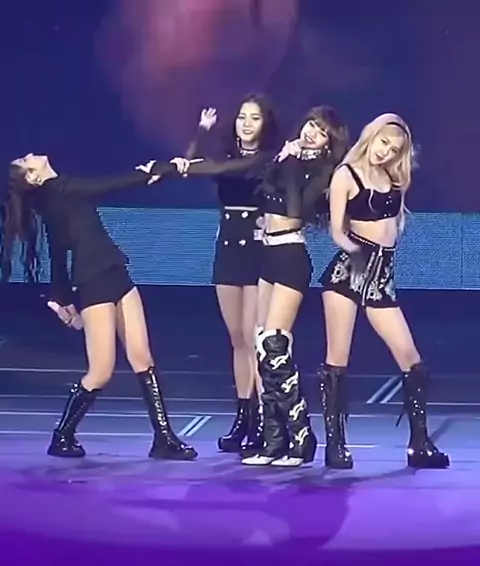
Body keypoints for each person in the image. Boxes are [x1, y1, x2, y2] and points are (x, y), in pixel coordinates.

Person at [0, 153, 197, 460]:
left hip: (115, 271)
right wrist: (153, 171)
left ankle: (164, 438)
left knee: (142, 358)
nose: (31, 156)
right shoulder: (59, 188)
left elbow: (56, 253)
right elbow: (108, 185)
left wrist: (62, 297)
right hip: (93, 280)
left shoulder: (57, 194)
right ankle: (62, 435)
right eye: (26, 161)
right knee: (101, 370)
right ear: (33, 177)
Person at [319, 113, 450, 470]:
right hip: (349, 274)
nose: (385, 152)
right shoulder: (346, 175)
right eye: (383, 143)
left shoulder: (393, 177)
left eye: (394, 150)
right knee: (337, 361)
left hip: (382, 278)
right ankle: (335, 444)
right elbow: (336, 230)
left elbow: (392, 227)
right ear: (371, 136)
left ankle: (419, 444)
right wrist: (354, 253)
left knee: (412, 360)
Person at [238, 105, 350, 467]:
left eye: (321, 131)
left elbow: (294, 205)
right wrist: (282, 160)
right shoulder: (285, 159)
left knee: (275, 344)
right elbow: (262, 195)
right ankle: (274, 440)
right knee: (261, 343)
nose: (311, 132)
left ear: (329, 142)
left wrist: (288, 161)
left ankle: (302, 438)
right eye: (311, 125)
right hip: (267, 253)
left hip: (290, 255)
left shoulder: (323, 171)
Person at [180, 94, 281, 457]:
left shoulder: (268, 159)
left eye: (254, 117)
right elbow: (191, 167)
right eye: (241, 117)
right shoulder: (224, 156)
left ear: (265, 124)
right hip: (227, 248)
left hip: (256, 250)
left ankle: (263, 421)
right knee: (237, 338)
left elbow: (229, 170)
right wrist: (200, 133)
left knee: (254, 338)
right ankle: (243, 417)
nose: (246, 123)